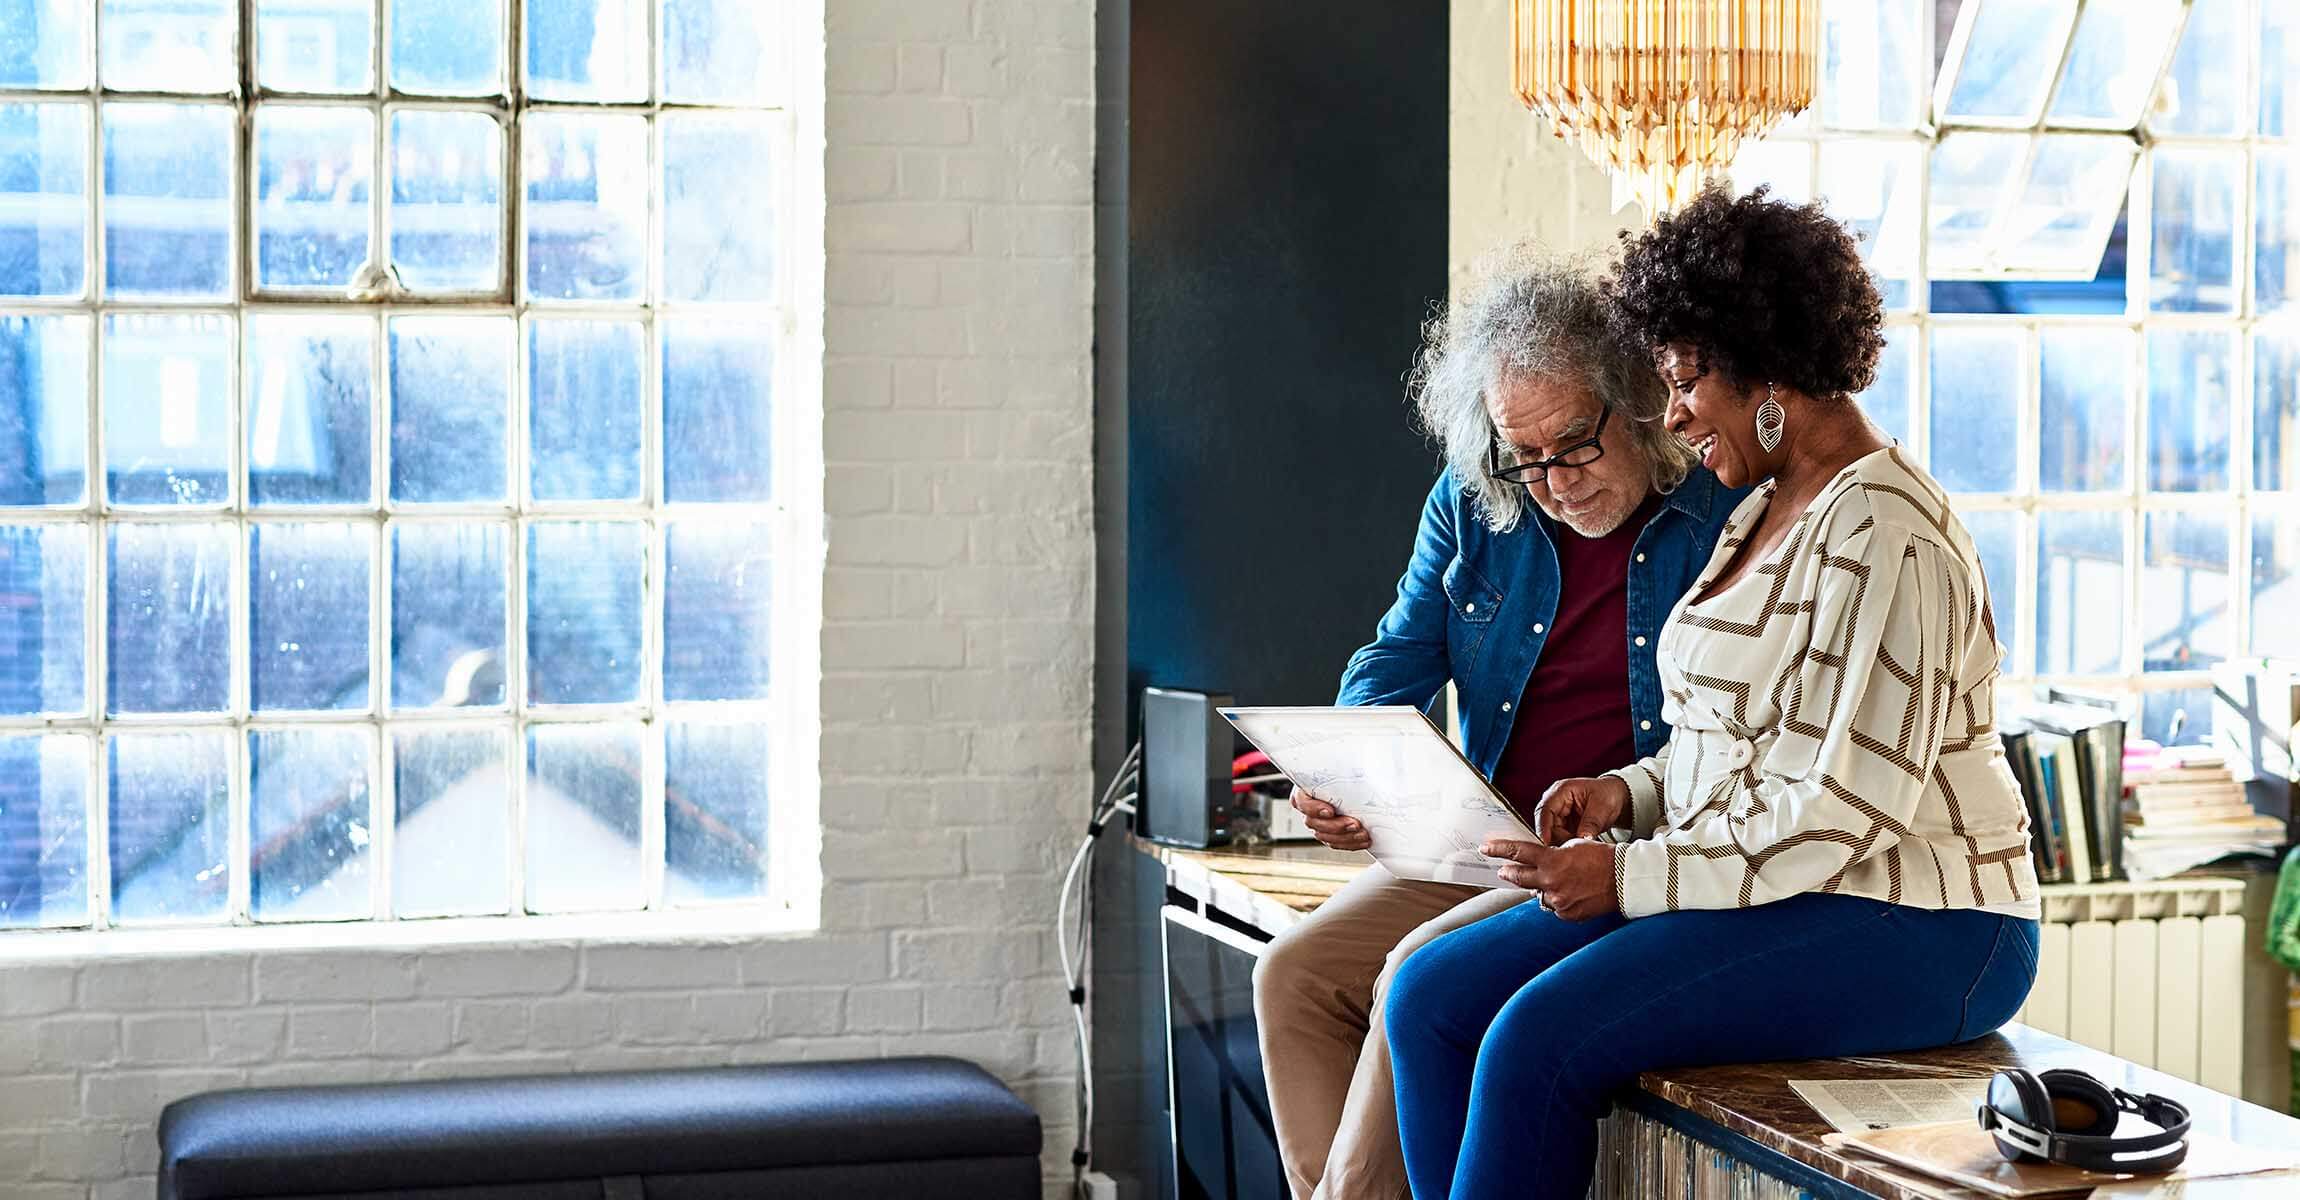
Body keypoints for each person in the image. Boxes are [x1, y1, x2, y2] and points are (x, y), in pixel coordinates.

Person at [1383, 183, 2041, 1200]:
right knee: (1429, 994)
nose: (1673, 413)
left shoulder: (1886, 535)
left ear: (1766, 370)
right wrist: (1628, 794)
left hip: (1921, 922)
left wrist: (1627, 876)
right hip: (1787, 887)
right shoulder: (1765, 508)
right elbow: (1738, 742)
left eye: (1687, 381)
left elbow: (1837, 813)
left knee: (1532, 1039)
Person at [1251, 246, 1743, 1200]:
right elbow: (1394, 656)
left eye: (1573, 446)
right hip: (1477, 841)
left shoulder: (1723, 507)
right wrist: (1353, 772)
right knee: (1293, 977)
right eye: (1525, 456)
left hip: (1620, 859)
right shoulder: (1478, 500)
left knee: (1411, 977)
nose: (1552, 481)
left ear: (1640, 400)